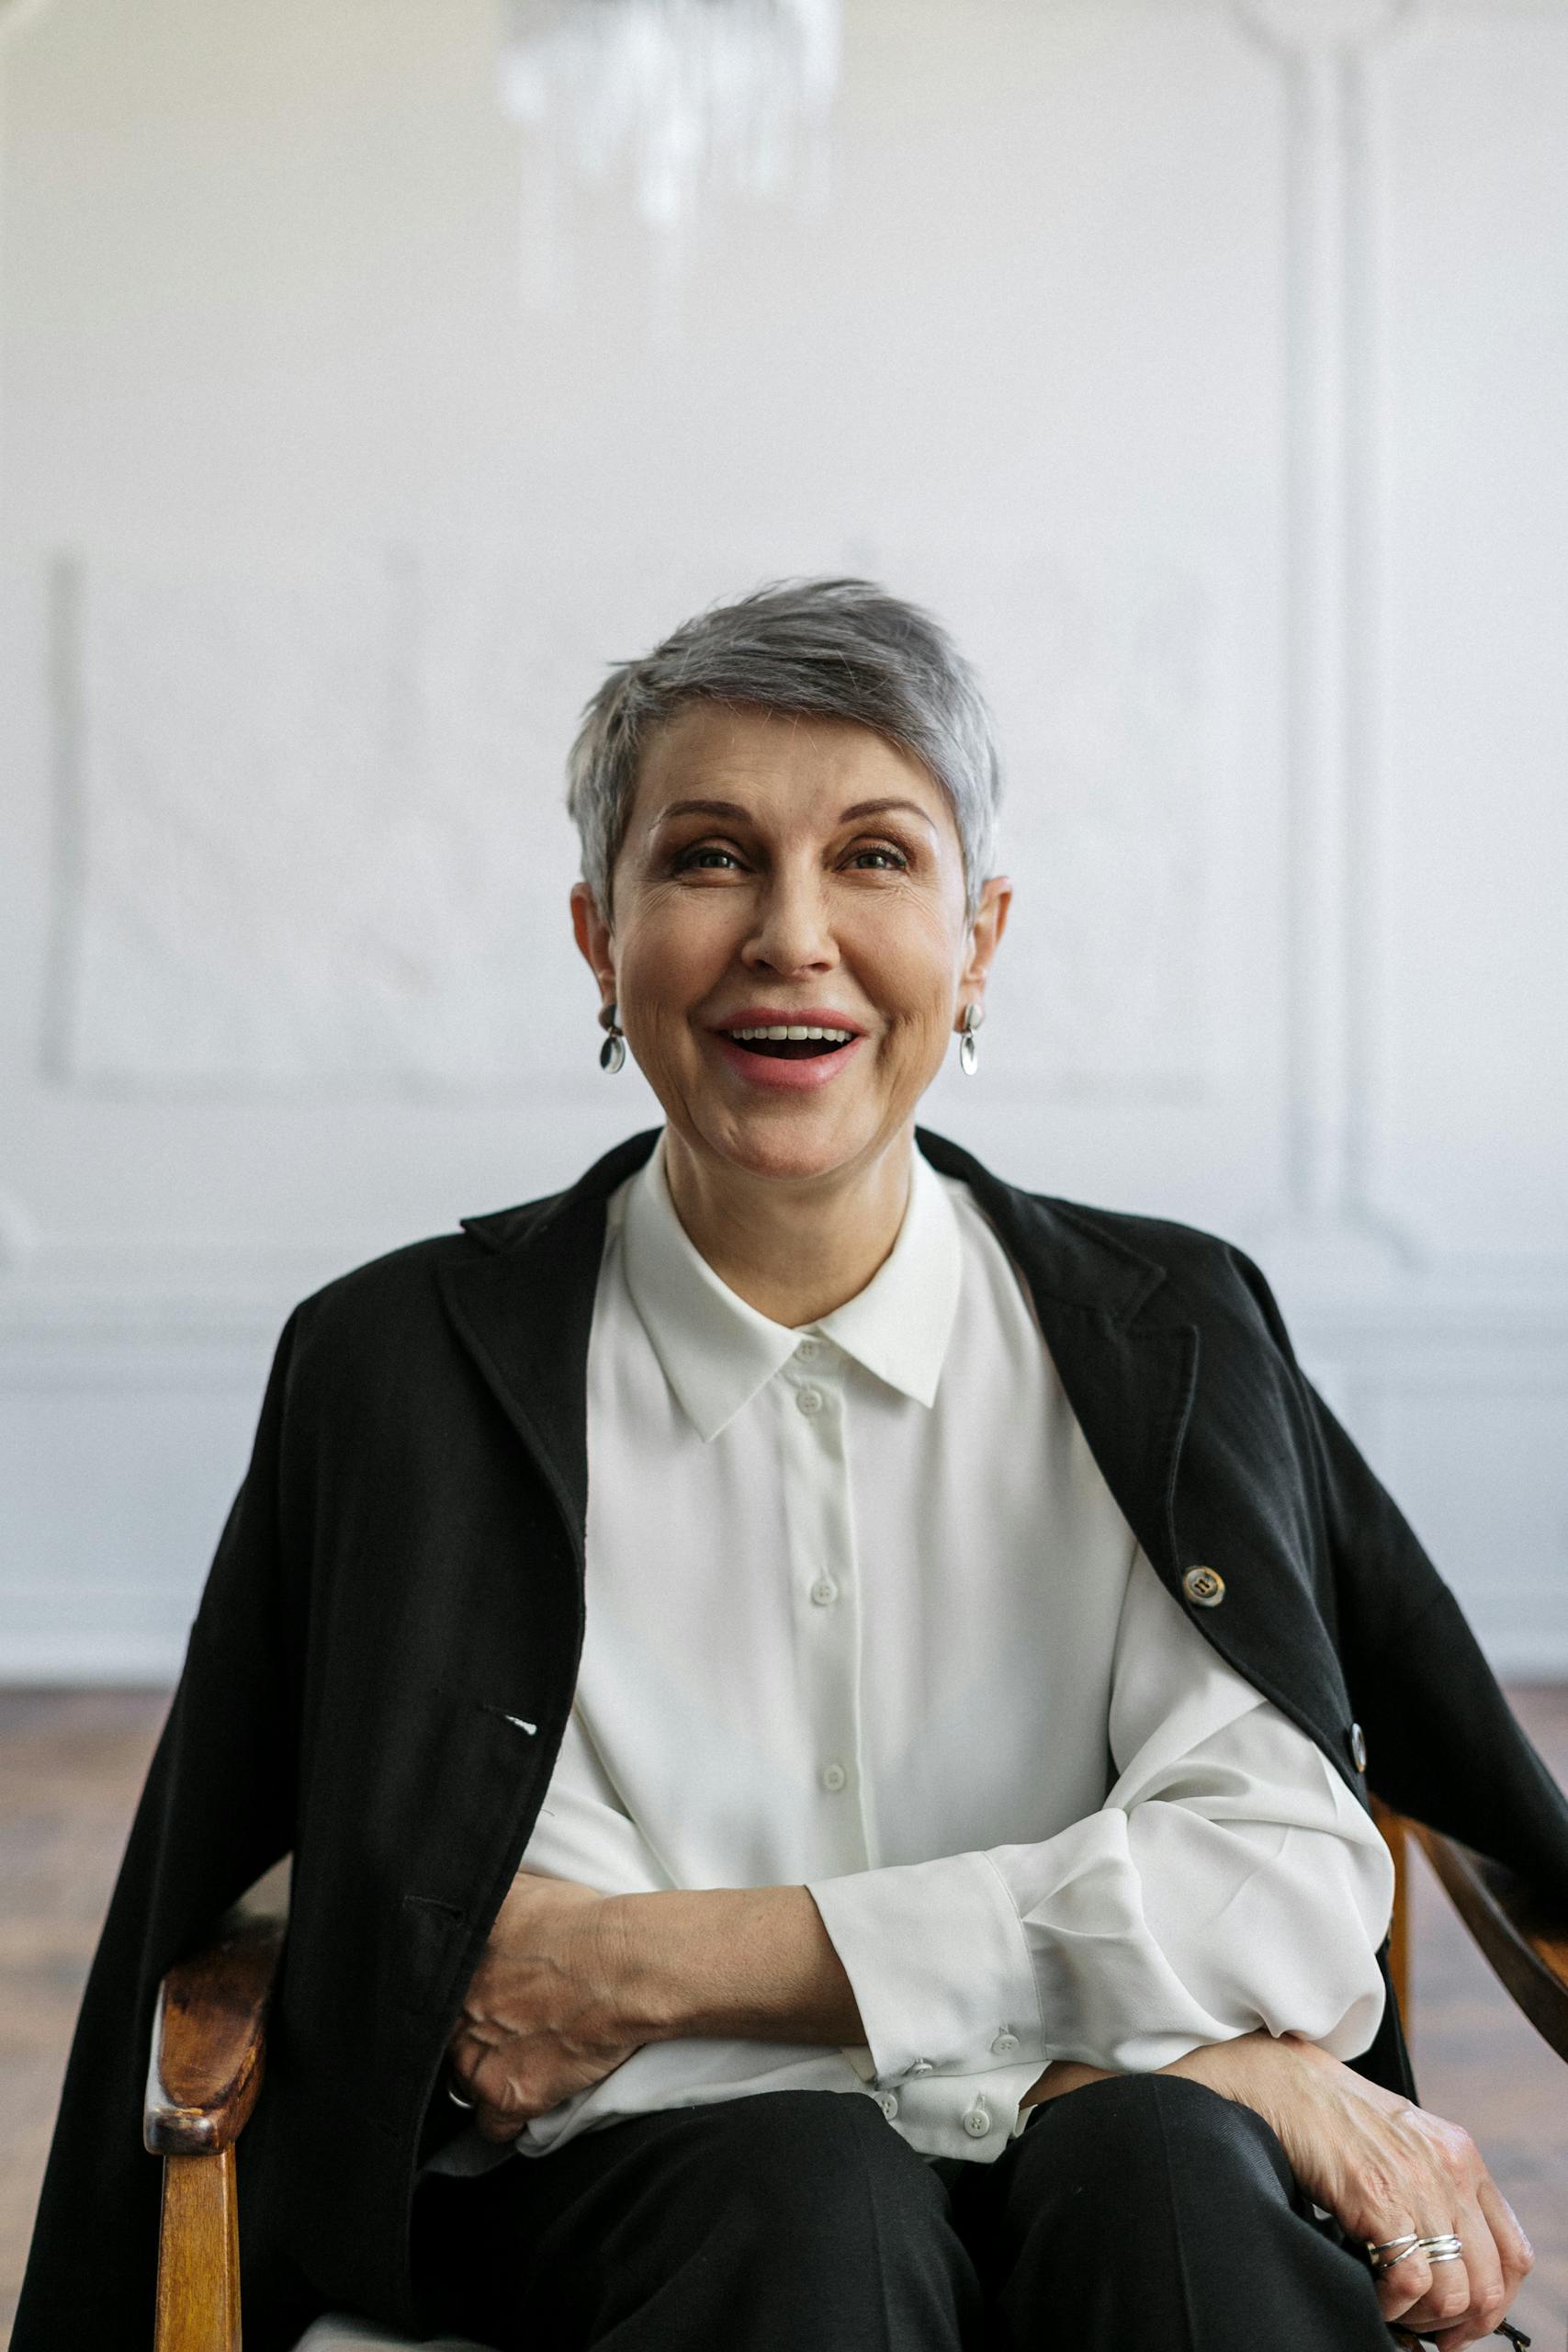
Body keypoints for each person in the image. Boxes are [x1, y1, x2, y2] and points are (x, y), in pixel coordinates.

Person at [15, 580, 1562, 2352]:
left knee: (1162, 2178)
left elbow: (1284, 1888)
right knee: (812, 2197)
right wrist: (1169, 2042)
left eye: (877, 858)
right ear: (598, 938)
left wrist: (671, 1964)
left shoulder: (1170, 1333)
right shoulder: (400, 1376)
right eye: (712, 858)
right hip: (655, 2227)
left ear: (981, 940)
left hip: (1137, 2180)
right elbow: (514, 2022)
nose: (793, 937)